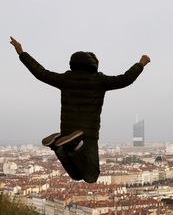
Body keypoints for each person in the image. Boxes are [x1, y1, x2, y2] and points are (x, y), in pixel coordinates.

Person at [10, 36, 150, 183]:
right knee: (91, 176)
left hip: (66, 131)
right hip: (87, 133)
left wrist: (21, 52)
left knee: (76, 176)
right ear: (93, 65)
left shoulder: (66, 79)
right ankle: (74, 144)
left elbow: (40, 73)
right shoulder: (99, 80)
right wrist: (141, 64)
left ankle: (58, 146)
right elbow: (125, 79)